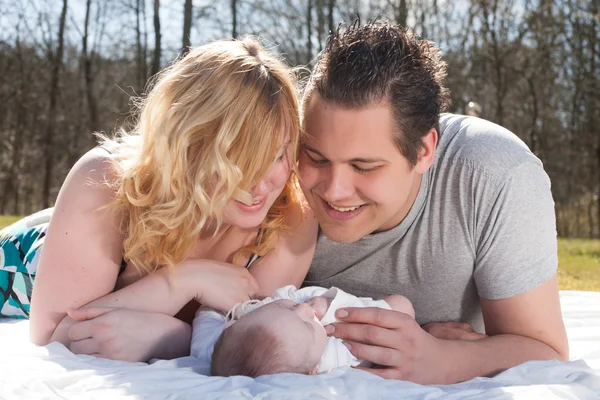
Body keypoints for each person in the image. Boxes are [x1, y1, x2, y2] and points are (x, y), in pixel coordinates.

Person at [0, 37, 318, 362]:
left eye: (279, 155)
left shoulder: (292, 216)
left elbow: (253, 347)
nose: (262, 185)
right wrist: (180, 281)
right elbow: (52, 338)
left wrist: (172, 339)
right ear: (188, 144)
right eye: (239, 159)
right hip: (26, 259)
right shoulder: (104, 182)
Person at [298, 21, 568, 384]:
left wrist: (443, 358)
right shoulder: (277, 169)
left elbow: (546, 352)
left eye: (363, 166)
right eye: (316, 158)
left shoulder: (494, 175)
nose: (333, 191)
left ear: (424, 151)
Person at [189, 285, 413, 377]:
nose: (305, 308)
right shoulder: (330, 359)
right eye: (308, 323)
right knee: (401, 306)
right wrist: (330, 308)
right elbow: (392, 317)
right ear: (313, 371)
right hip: (359, 311)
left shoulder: (210, 347)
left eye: (284, 307)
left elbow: (207, 314)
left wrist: (240, 312)